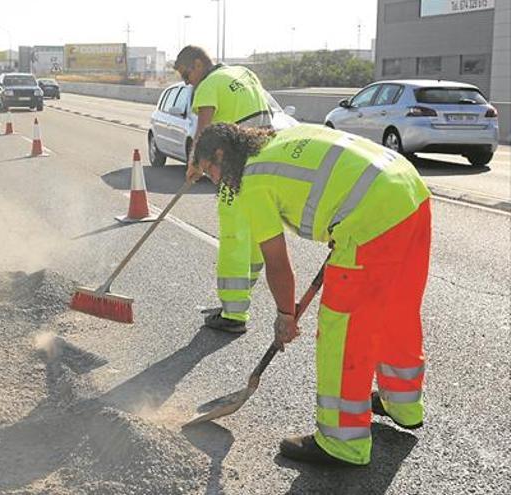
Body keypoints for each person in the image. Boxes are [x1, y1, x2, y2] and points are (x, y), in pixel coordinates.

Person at [192, 123, 431, 467]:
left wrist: (285, 316)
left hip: (371, 216)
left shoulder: (252, 181)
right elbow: (331, 177)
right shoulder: (276, 140)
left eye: (209, 172)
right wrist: (342, 221)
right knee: (397, 310)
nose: (215, 182)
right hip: (409, 192)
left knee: (343, 331)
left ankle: (341, 442)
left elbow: (277, 263)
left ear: (220, 155)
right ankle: (403, 404)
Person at [173, 46, 274, 334]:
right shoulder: (244, 73)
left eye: (185, 74)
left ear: (197, 64)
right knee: (256, 234)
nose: (186, 82)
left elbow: (203, 131)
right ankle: (240, 301)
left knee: (233, 236)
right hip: (265, 162)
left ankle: (233, 314)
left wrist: (195, 164)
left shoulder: (208, 86)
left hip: (236, 168)